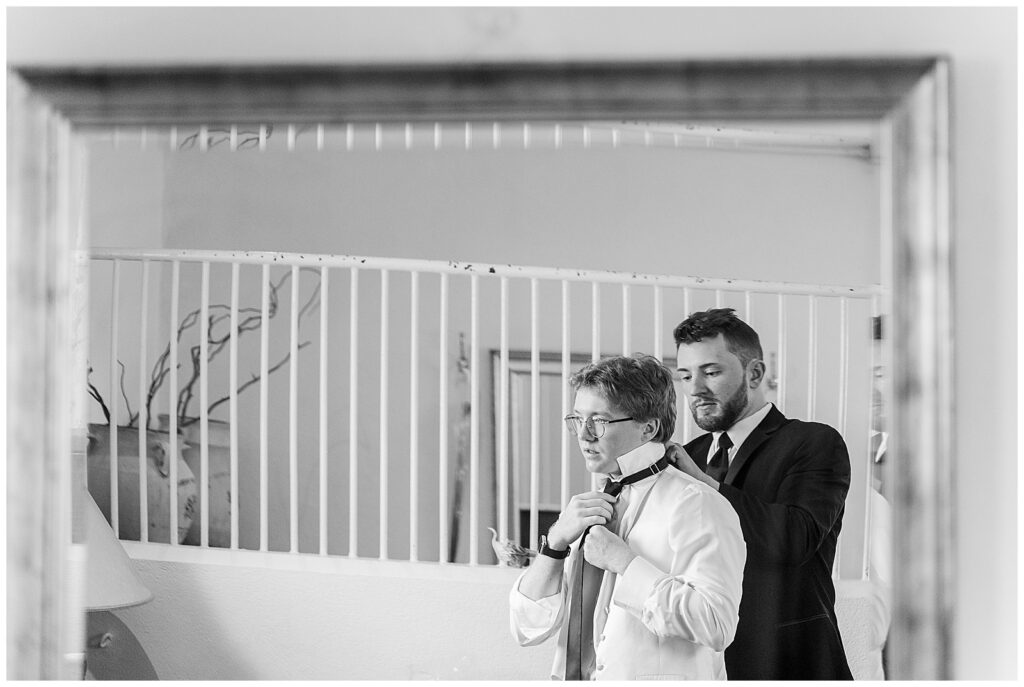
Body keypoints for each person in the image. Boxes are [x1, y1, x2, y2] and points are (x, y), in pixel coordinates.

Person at [508, 354, 745, 680]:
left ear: (649, 428)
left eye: (600, 421)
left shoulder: (698, 505)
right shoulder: (586, 509)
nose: (584, 435)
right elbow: (527, 629)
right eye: (578, 419)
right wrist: (555, 544)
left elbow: (716, 624)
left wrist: (626, 564)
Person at [669, 308, 854, 680]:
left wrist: (704, 484)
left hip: (787, 663)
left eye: (711, 372)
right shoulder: (688, 453)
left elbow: (793, 539)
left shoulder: (814, 442)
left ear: (754, 373)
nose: (694, 389)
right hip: (700, 664)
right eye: (686, 376)